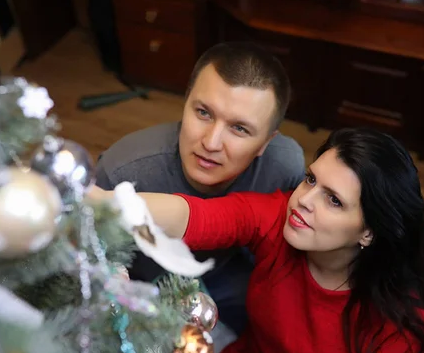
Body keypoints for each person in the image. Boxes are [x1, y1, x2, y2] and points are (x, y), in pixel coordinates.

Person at [89, 127, 424, 353]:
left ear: (369, 231)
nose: (304, 201)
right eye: (310, 180)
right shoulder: (282, 221)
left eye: (334, 200)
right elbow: (195, 216)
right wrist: (103, 201)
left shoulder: (397, 321)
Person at [95, 42, 305, 335]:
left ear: (266, 143)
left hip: (231, 277)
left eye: (239, 129)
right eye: (204, 113)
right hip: (144, 290)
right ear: (186, 101)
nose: (211, 142)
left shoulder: (284, 167)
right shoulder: (123, 171)